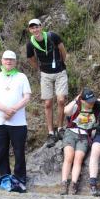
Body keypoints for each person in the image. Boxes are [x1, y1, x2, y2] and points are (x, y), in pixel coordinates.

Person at [0, 50, 31, 191]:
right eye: (6, 59)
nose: (8, 62)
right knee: (1, 151)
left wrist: (13, 110)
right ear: (1, 60)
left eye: (11, 60)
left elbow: (26, 97)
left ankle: (20, 178)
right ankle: (5, 176)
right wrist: (5, 109)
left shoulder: (21, 77)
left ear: (15, 62)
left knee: (19, 152)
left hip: (18, 122)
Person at [26, 18, 68, 147]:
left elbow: (63, 50)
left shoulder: (52, 36)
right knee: (48, 103)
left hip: (60, 72)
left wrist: (62, 63)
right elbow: (31, 58)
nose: (35, 30)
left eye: (37, 27)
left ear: (41, 27)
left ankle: (60, 128)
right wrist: (39, 69)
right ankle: (50, 132)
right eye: (32, 28)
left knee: (61, 100)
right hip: (45, 74)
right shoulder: (30, 43)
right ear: (30, 30)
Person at [60, 88, 100, 195]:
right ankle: (64, 183)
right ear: (82, 100)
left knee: (78, 159)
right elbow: (65, 111)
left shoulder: (97, 105)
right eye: (89, 101)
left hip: (84, 136)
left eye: (92, 100)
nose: (91, 103)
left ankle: (73, 184)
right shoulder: (77, 105)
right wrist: (76, 99)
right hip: (71, 133)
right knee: (69, 156)